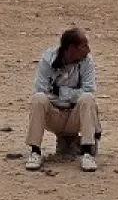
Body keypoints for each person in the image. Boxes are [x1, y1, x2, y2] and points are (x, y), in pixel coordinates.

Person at [25, 28, 100, 173]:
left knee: (88, 99)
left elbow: (88, 90)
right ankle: (35, 151)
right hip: (54, 116)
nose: (88, 50)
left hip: (74, 115)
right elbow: (41, 90)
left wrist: (60, 92)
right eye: (84, 46)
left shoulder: (87, 62)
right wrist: (68, 96)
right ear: (71, 48)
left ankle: (86, 153)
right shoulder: (48, 60)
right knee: (38, 99)